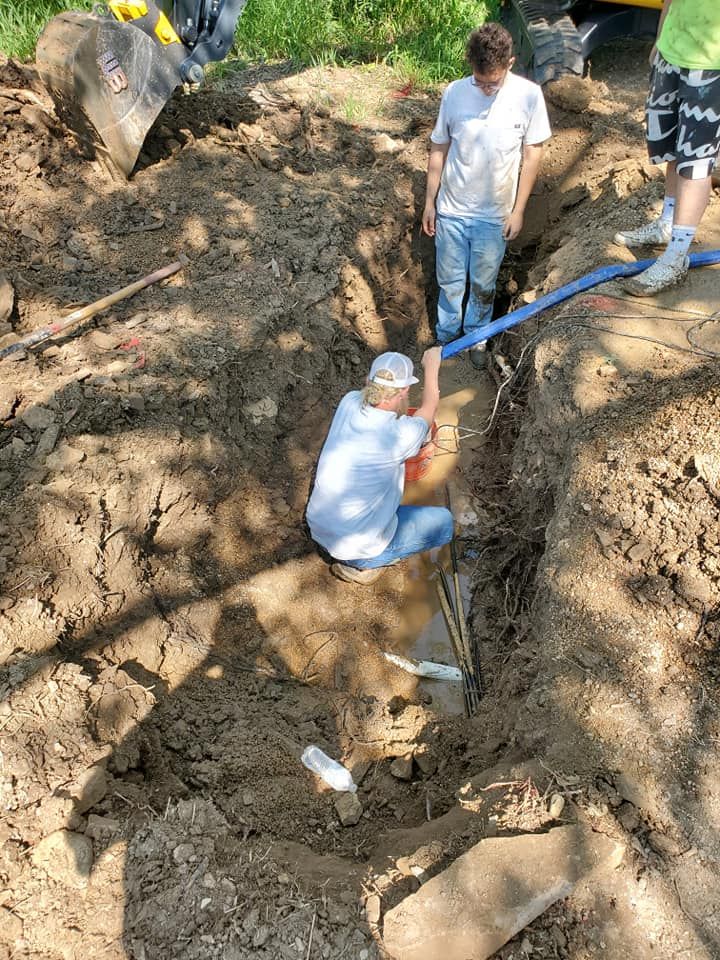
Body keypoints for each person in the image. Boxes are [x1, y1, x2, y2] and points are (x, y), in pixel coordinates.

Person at [422, 23, 551, 369]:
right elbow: (439, 147)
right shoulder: (454, 93)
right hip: (451, 210)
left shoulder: (528, 96)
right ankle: (447, 337)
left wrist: (518, 210)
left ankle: (476, 336)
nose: (485, 89)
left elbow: (532, 155)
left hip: (494, 215)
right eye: (479, 82)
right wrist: (430, 202)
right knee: (449, 282)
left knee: (483, 284)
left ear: (510, 63)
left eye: (492, 83)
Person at [306, 347, 453, 585]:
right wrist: (432, 367)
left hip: (320, 527)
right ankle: (365, 565)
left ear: (368, 381)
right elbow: (430, 406)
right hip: (355, 548)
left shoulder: (349, 401)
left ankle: (358, 557)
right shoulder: (399, 435)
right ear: (404, 391)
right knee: (444, 522)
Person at [616, 0, 720, 296]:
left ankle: (676, 256)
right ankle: (667, 223)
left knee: (696, 161)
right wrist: (661, 38)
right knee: (672, 147)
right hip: (673, 48)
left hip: (712, 63)